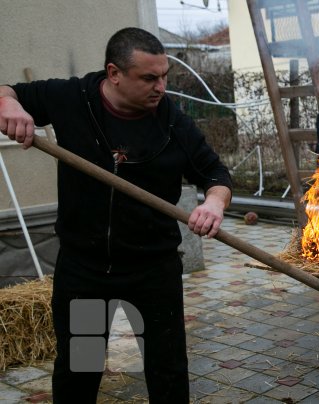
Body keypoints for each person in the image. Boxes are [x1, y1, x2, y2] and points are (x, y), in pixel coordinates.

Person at [0, 27, 232, 403]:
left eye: (164, 77)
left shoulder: (172, 122)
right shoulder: (72, 98)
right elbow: (7, 92)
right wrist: (8, 106)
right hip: (86, 269)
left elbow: (216, 175)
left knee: (167, 371)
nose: (161, 87)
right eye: (149, 78)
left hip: (152, 268)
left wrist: (214, 203)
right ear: (114, 73)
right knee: (81, 368)